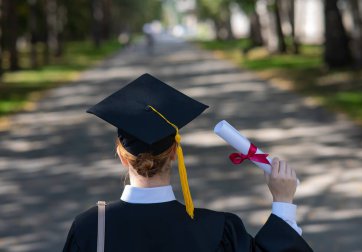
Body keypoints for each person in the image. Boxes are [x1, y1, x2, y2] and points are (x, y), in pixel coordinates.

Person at [62, 73, 313, 252]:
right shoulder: (217, 230)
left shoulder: (89, 228)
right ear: (174, 151)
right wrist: (283, 203)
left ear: (120, 155)